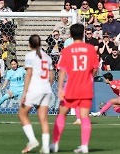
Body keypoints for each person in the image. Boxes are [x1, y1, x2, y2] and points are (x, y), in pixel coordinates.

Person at [50, 23, 99, 153]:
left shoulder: (67, 51)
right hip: (86, 88)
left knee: (62, 114)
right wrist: (89, 76)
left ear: (70, 35)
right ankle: (84, 146)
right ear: (83, 34)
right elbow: (95, 68)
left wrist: (60, 88)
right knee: (84, 117)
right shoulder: (90, 49)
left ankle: (55, 144)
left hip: (71, 88)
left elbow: (62, 71)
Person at [18, 34, 53, 154]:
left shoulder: (30, 56)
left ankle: (32, 140)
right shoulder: (47, 57)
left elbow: (28, 74)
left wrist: (24, 93)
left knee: (22, 114)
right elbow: (51, 76)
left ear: (30, 44)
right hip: (46, 89)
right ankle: (46, 148)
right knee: (43, 119)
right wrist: (46, 85)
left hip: (35, 89)